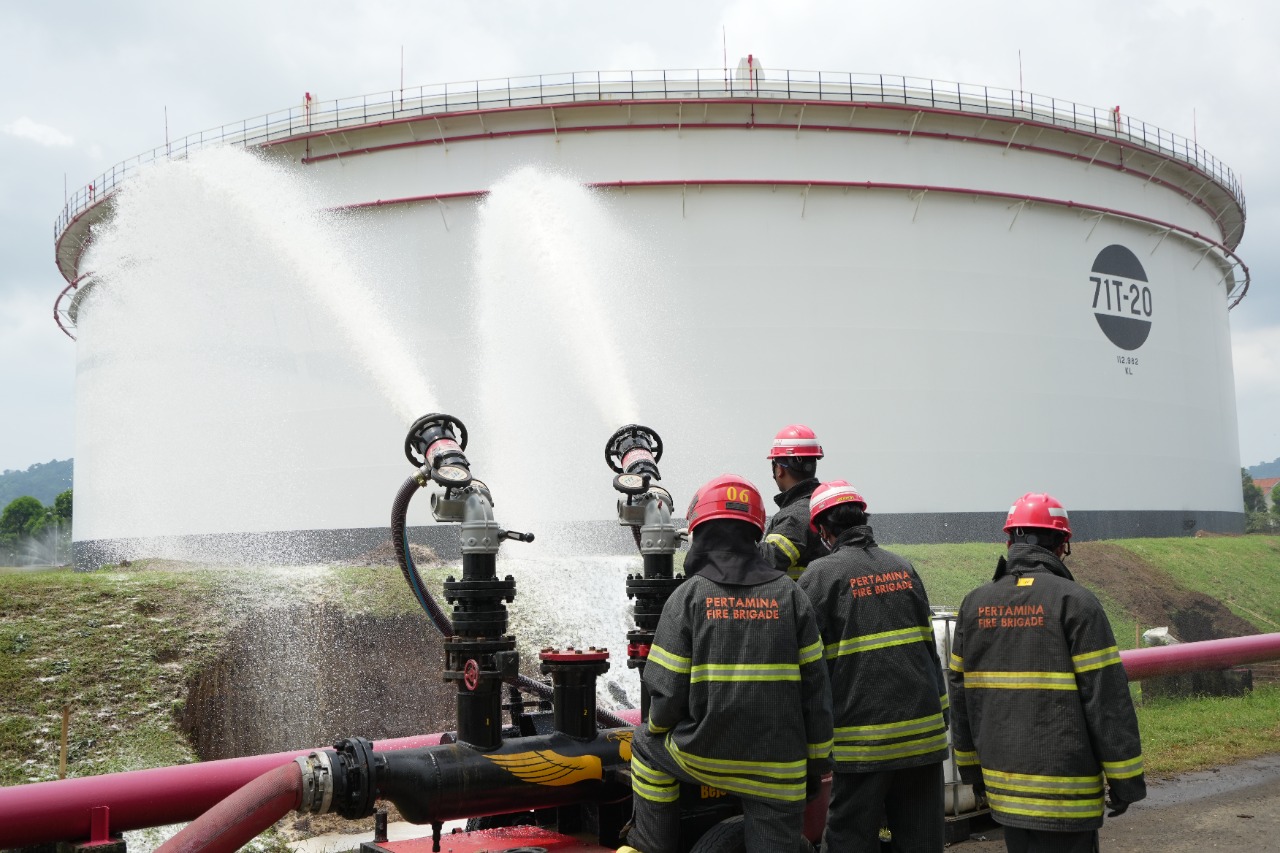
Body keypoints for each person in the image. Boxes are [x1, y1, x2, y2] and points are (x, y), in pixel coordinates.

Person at [621, 474, 833, 853]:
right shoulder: (792, 596)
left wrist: (657, 728)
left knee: (644, 744)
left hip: (705, 752)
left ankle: (652, 846)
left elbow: (665, 695)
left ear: (699, 531)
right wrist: (814, 768)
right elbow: (817, 695)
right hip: (778, 767)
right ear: (755, 532)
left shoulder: (689, 597)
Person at [948, 493, 1146, 853]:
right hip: (1065, 796)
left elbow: (961, 695)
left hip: (1005, 794)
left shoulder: (974, 604)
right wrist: (1125, 780)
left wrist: (971, 773)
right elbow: (1106, 698)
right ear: (1063, 544)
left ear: (1009, 541)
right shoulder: (1076, 602)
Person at [797, 481, 949, 853]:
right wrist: (941, 720)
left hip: (864, 745)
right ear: (863, 519)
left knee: (849, 841)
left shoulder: (819, 576)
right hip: (924, 738)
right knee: (922, 842)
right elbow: (929, 651)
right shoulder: (903, 567)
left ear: (822, 530)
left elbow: (805, 669)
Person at [761, 424, 828, 580]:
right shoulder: (825, 506)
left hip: (801, 602)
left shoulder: (793, 517)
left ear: (779, 469)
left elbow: (764, 563)